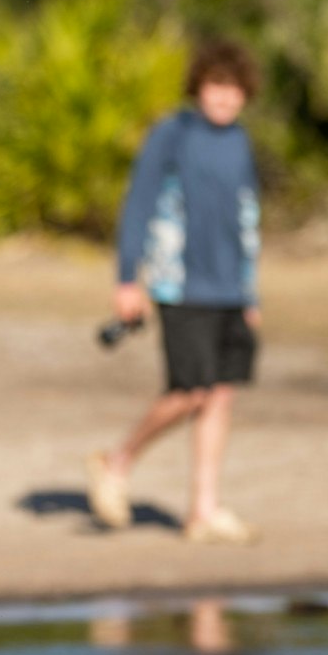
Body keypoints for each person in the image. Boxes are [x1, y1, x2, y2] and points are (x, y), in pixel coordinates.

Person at [88, 40, 264, 545]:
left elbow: (246, 218)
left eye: (233, 89)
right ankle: (116, 463)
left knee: (221, 395)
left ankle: (202, 511)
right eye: (216, 87)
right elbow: (139, 204)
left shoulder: (241, 142)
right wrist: (127, 279)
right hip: (179, 283)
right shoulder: (172, 134)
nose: (224, 98)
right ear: (199, 87)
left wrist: (251, 293)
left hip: (231, 287)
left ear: (245, 94)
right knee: (190, 392)